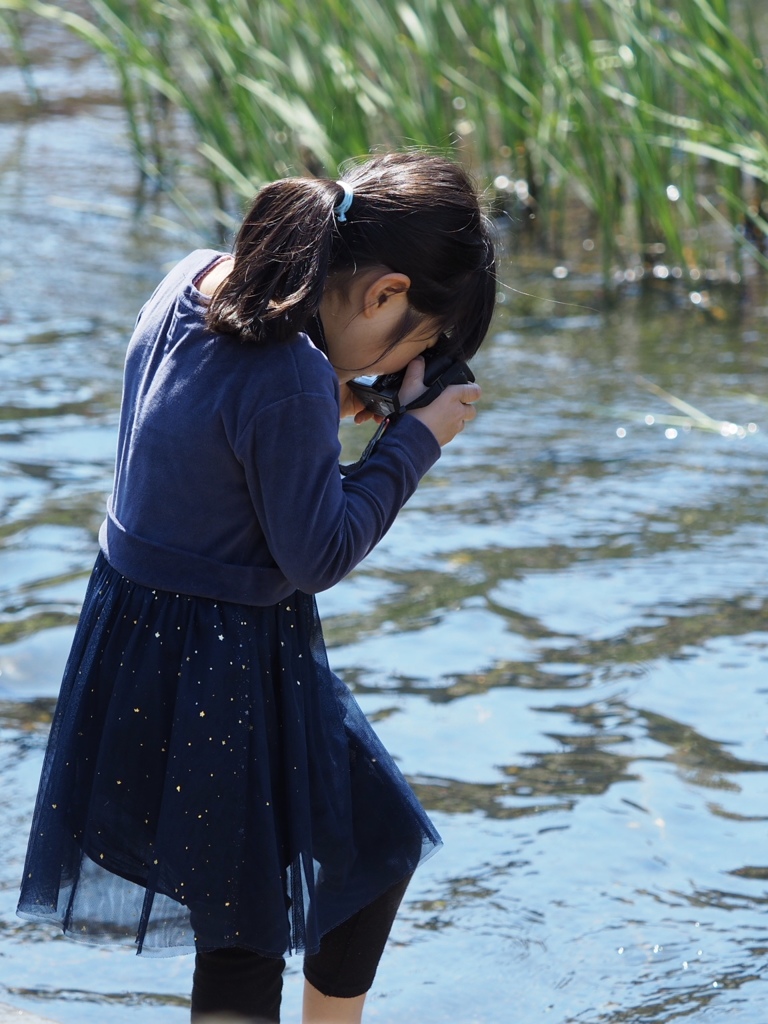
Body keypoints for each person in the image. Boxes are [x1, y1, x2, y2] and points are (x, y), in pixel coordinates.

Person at [17, 151, 496, 1023]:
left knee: (366, 848)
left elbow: (208, 441)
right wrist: (413, 438)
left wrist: (334, 400)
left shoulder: (194, 279)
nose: (391, 375)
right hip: (219, 663)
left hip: (138, 637)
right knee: (246, 931)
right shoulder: (290, 376)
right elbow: (317, 555)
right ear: (386, 294)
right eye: (415, 346)